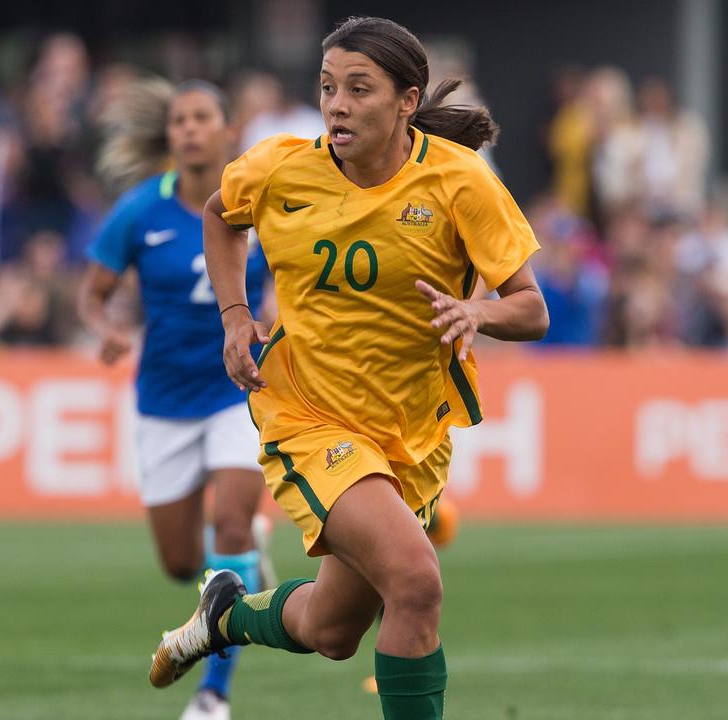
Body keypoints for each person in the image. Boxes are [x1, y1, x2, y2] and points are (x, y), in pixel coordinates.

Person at [149, 17, 548, 719]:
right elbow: (220, 216)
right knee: (417, 583)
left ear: (406, 101)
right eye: (329, 87)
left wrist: (477, 313)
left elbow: (530, 307)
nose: (336, 104)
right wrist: (235, 314)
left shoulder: (459, 182)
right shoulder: (280, 167)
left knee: (332, 631)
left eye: (359, 89)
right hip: (309, 413)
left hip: (411, 434)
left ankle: (227, 617)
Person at [77, 79, 272, 720]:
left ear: (226, 130)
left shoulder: (262, 205)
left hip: (236, 389)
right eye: (180, 120)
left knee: (232, 527)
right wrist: (104, 329)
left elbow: (290, 284)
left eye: (202, 118)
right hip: (163, 401)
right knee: (181, 563)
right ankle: (244, 559)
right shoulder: (139, 211)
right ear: (170, 136)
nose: (189, 129)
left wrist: (274, 320)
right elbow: (93, 291)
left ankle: (213, 695)